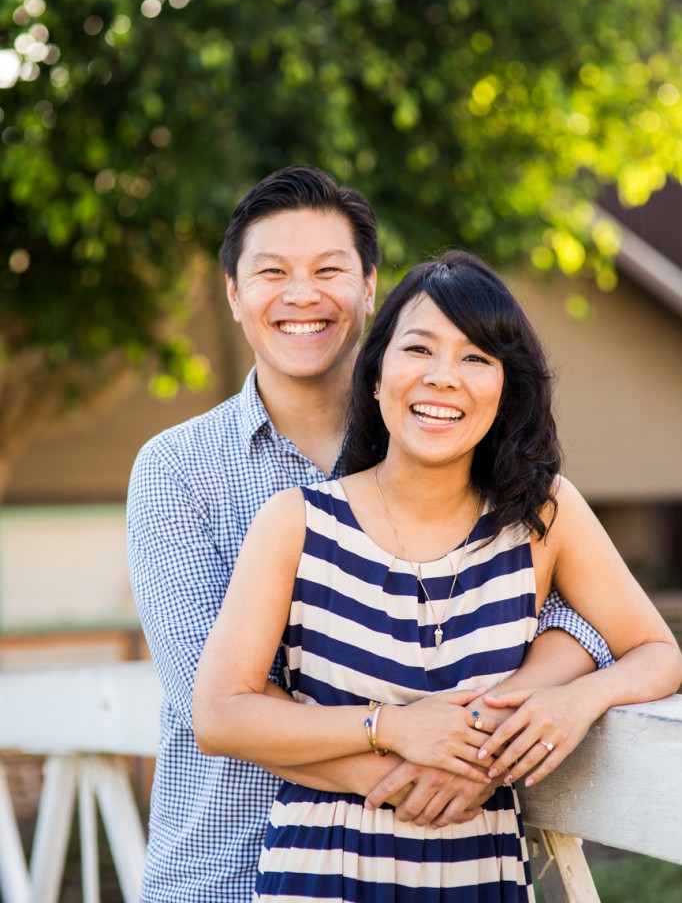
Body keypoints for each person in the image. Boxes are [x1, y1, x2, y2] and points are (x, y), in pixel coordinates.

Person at [128, 168, 612, 903]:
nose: (300, 295)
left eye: (329, 270)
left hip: (435, 874)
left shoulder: (440, 434)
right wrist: (420, 771)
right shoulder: (176, 470)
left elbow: (565, 601)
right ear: (233, 294)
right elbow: (221, 700)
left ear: (368, 289)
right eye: (271, 273)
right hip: (222, 870)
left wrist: (500, 719)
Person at [192, 249, 682, 902]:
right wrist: (391, 728)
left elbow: (655, 653)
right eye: (419, 349)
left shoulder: (543, 515)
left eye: (476, 358)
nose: (443, 377)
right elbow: (220, 714)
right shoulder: (296, 522)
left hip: (480, 878)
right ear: (376, 374)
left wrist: (574, 701)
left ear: (506, 387)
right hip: (322, 876)